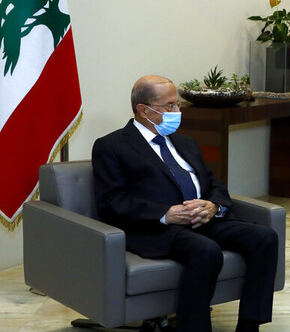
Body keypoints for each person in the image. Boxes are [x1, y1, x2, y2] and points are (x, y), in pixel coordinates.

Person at [92, 75, 278, 332]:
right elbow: (111, 201)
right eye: (169, 105)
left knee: (265, 237)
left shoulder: (185, 142)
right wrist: (164, 214)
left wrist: (213, 206)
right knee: (207, 251)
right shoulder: (111, 146)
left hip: (203, 220)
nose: (177, 111)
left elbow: (213, 184)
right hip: (159, 228)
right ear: (143, 110)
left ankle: (249, 327)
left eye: (177, 104)